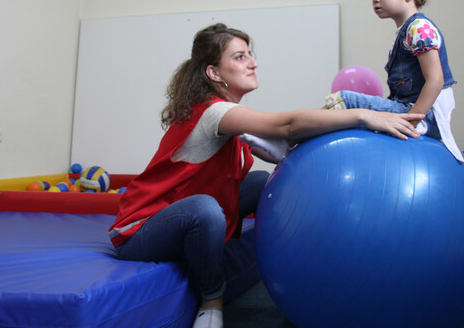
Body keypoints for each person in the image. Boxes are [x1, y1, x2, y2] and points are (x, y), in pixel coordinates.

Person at [108, 23, 424, 328]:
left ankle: (292, 263)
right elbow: (286, 126)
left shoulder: (232, 123)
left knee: (262, 183)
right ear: (214, 73)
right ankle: (212, 300)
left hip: (190, 214)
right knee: (204, 208)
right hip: (138, 231)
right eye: (240, 57)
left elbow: (286, 144)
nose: (253, 63)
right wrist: (363, 115)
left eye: (250, 54)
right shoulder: (214, 112)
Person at [325, 0, 464, 162]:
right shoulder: (406, 30)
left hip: (424, 116)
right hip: (413, 110)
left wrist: (411, 122)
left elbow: (436, 80)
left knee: (344, 99)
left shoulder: (418, 28)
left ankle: (291, 141)